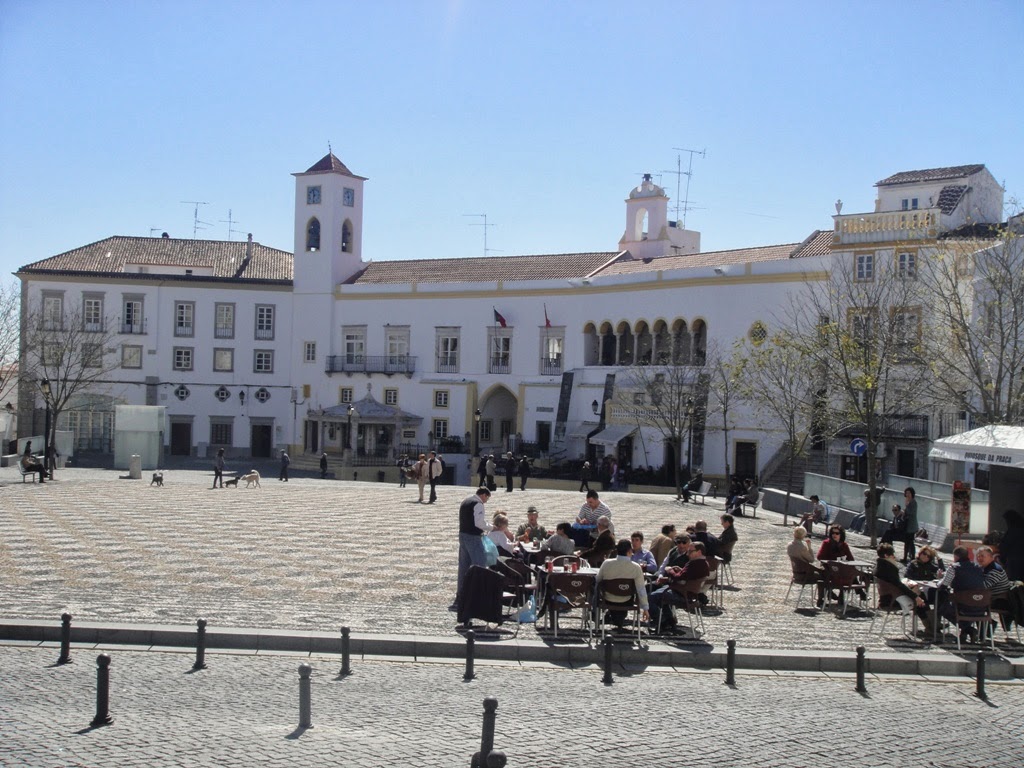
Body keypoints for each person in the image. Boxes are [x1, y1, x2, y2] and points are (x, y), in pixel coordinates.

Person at [648, 540, 710, 631]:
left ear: (699, 552)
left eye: (690, 551)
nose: (687, 554)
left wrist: (670, 570)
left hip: (682, 595)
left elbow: (678, 577)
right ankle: (669, 620)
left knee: (650, 598)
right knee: (658, 591)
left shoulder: (695, 564)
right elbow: (686, 576)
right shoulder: (704, 563)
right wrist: (680, 570)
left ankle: (662, 622)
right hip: (689, 594)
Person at [596, 539, 650, 629]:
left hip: (608, 599)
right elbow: (641, 589)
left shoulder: (606, 564)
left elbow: (598, 580)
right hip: (626, 600)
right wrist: (645, 608)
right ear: (629, 551)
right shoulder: (636, 567)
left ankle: (595, 614)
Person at [939, 545, 987, 643]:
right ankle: (964, 634)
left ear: (956, 556)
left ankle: (969, 629)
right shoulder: (979, 567)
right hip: (980, 605)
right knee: (963, 603)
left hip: (963, 605)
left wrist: (939, 579)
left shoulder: (954, 567)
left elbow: (943, 584)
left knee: (943, 608)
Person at [453, 487, 492, 609]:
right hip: (473, 537)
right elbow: (479, 523)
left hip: (463, 535)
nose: (486, 501)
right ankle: (478, 597)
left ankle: (460, 596)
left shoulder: (465, 501)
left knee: (463, 567)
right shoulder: (478, 504)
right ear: (484, 495)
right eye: (487, 498)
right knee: (480, 565)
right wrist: (492, 527)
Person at [875, 542, 928, 621]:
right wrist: (916, 597)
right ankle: (931, 625)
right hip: (893, 600)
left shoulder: (879, 566)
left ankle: (931, 624)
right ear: (886, 556)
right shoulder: (889, 568)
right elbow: (899, 585)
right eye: (892, 554)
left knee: (919, 596)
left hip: (886, 598)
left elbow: (896, 583)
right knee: (921, 597)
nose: (894, 556)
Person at [787, 526, 825, 606]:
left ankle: (827, 596)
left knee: (821, 575)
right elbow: (811, 560)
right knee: (823, 576)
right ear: (803, 536)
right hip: (805, 574)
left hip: (796, 573)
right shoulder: (802, 547)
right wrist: (809, 547)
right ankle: (821, 598)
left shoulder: (789, 545)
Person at [999, 509, 1024, 582]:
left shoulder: (1013, 530)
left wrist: (1002, 558)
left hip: (1014, 560)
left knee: (1015, 581)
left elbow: (1005, 545)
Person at [901, 487, 919, 562]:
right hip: (907, 524)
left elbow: (911, 512)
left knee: (910, 542)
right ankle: (906, 556)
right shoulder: (908, 502)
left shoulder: (913, 502)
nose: (907, 495)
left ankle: (912, 557)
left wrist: (906, 508)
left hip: (911, 525)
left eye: (909, 493)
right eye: (906, 493)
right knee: (907, 542)